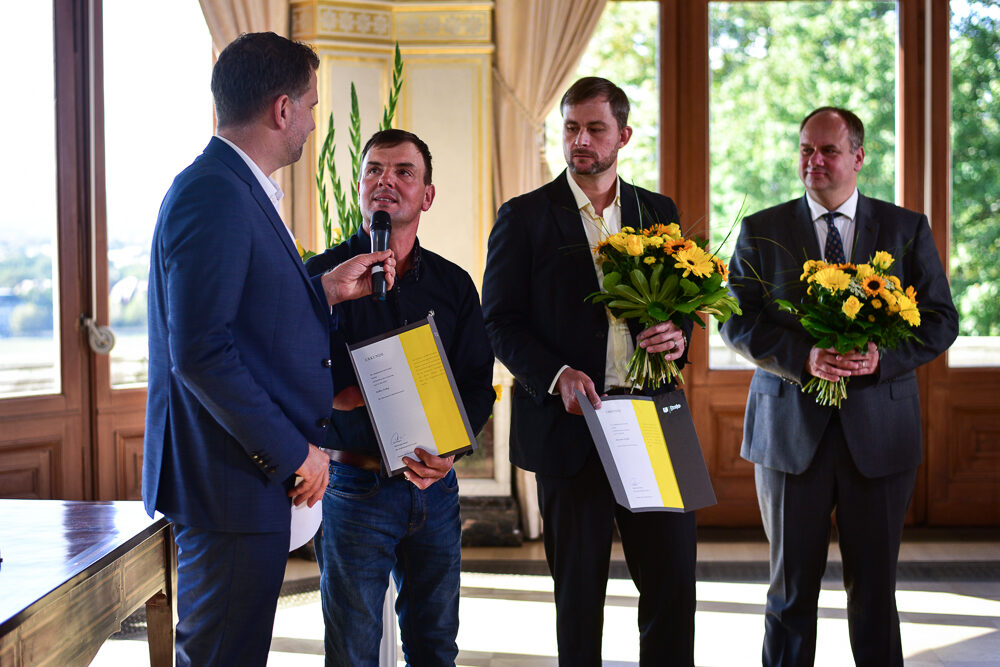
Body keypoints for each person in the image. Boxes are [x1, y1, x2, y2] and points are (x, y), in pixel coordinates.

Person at [143, 32, 395, 666]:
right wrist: (295, 454)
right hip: (231, 481)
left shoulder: (235, 186)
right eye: (310, 105)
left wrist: (321, 291)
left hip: (237, 480)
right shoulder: (216, 194)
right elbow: (200, 350)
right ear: (282, 109)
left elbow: (242, 315)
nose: (313, 122)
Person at [721, 107, 959, 667]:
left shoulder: (906, 228)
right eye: (806, 149)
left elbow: (941, 319)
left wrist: (881, 358)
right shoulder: (764, 228)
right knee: (789, 594)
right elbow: (735, 318)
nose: (815, 161)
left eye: (828, 151)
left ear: (857, 156)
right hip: (787, 435)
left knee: (875, 594)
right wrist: (803, 357)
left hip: (880, 436)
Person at [481, 77, 697, 667]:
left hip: (653, 420)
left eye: (595, 129)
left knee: (674, 583)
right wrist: (556, 375)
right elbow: (499, 321)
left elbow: (683, 311)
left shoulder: (660, 212)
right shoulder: (523, 217)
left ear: (623, 135)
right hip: (569, 427)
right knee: (578, 595)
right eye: (571, 128)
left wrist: (678, 338)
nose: (581, 140)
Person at [305, 129, 495, 667]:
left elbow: (478, 379)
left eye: (404, 172)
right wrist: (338, 395)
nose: (386, 181)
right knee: (352, 652)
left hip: (434, 489)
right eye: (374, 171)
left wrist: (452, 454)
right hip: (354, 487)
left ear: (427, 195)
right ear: (359, 186)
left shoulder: (454, 284)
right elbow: (282, 367)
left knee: (436, 647)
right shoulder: (320, 277)